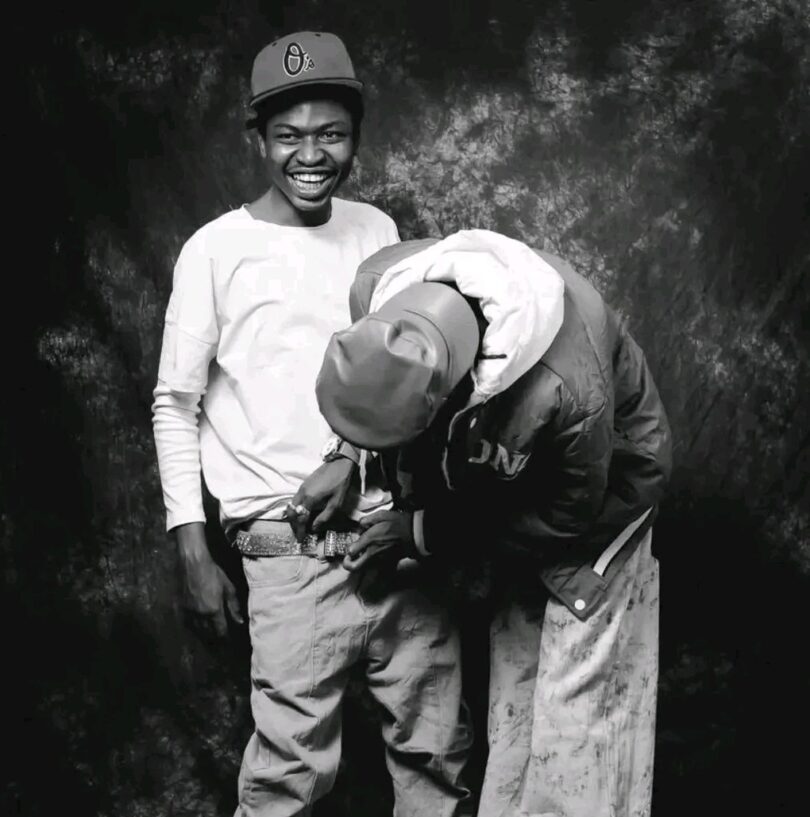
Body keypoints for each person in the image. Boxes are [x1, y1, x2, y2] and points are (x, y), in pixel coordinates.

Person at [152, 31, 471, 817]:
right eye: (289, 135)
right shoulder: (215, 251)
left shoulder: (376, 231)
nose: (311, 154)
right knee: (288, 778)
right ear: (257, 139)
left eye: (331, 133)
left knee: (439, 759)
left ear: (355, 136)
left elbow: (406, 378)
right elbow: (175, 404)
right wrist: (192, 547)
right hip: (287, 551)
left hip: (393, 545)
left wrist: (356, 459)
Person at [310, 229, 673, 817]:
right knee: (516, 707)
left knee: (572, 728)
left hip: (601, 508)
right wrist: (346, 453)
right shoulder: (375, 287)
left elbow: (567, 518)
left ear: (456, 396)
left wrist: (420, 531)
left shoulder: (567, 387)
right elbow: (379, 389)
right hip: (500, 494)